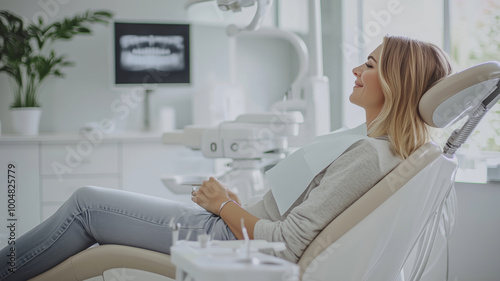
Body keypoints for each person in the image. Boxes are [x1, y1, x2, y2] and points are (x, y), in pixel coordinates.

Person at [0, 35, 452, 281]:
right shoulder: (374, 148)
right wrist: (235, 205)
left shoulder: (369, 156)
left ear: (395, 82)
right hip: (229, 228)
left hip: (226, 238)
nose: (356, 69)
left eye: (370, 65)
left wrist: (224, 207)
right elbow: (294, 218)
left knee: (86, 204)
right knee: (90, 207)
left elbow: (289, 243)